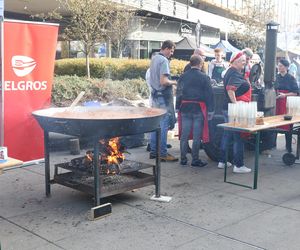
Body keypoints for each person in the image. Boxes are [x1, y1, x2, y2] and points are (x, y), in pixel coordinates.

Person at [176, 55, 214, 167]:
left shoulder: (182, 77)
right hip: (198, 109)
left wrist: (177, 107)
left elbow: (179, 93)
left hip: (185, 108)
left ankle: (183, 159)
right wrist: (211, 110)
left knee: (184, 135)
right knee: (197, 136)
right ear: (200, 64)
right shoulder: (204, 77)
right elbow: (209, 95)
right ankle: (195, 159)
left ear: (190, 63)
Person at [218, 51, 252, 173]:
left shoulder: (229, 71)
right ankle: (239, 165)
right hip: (232, 110)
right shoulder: (235, 73)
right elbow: (230, 89)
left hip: (226, 107)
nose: (244, 63)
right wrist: (236, 104)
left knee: (227, 135)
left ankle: (222, 161)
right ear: (236, 61)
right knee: (238, 137)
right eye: (243, 61)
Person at [149, 40, 178, 162]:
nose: (171, 53)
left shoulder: (154, 58)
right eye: (171, 51)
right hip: (162, 97)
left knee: (155, 125)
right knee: (163, 126)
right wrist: (175, 82)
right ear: (166, 48)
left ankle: (153, 152)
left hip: (155, 95)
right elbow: (164, 81)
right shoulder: (164, 60)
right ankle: (162, 153)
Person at [275, 58, 299, 153]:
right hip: (277, 102)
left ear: (286, 67)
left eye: (281, 66)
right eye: (278, 65)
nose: (279, 67)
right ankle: (272, 145)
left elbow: (296, 93)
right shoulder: (276, 77)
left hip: (287, 103)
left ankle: (288, 147)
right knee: (275, 123)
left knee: (288, 125)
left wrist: (285, 95)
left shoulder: (291, 78)